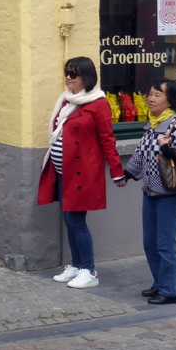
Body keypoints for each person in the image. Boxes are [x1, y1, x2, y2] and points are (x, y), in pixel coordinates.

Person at [37, 57, 125, 289]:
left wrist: (117, 171)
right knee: (69, 220)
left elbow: (107, 139)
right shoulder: (66, 101)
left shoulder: (98, 104)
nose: (68, 78)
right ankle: (76, 265)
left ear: (86, 78)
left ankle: (89, 270)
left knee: (76, 221)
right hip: (60, 172)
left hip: (82, 173)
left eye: (73, 74)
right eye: (66, 73)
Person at [121, 79, 176, 305]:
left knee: (165, 244)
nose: (151, 98)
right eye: (150, 94)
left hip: (170, 194)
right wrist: (127, 175)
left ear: (170, 101)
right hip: (151, 192)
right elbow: (140, 154)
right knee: (150, 243)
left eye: (157, 94)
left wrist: (169, 149)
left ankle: (169, 291)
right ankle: (159, 283)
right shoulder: (152, 126)